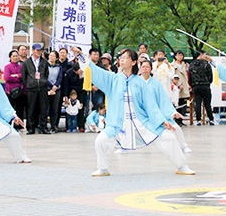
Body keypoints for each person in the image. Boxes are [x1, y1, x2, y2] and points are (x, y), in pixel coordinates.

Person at [88, 48, 195, 177]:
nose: (122, 59)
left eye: (125, 57)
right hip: (118, 123)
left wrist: (162, 121)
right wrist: (82, 58)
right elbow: (94, 71)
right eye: (121, 57)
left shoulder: (140, 82)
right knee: (100, 140)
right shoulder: (112, 79)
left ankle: (182, 166)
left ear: (133, 62)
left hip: (141, 122)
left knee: (169, 137)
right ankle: (103, 168)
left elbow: (151, 105)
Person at [139, 59, 192, 154]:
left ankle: (183, 146)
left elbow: (163, 100)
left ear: (151, 69)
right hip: (142, 114)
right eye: (143, 67)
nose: (145, 69)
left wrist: (173, 112)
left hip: (157, 112)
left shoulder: (156, 83)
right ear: (140, 68)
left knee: (176, 128)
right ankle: (123, 146)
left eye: (147, 67)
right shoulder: (136, 83)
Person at [22, 43, 50, 134]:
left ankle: (43, 127)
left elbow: (46, 74)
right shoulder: (27, 62)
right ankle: (31, 127)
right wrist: (29, 84)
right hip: (31, 88)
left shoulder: (44, 62)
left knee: (43, 108)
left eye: (40, 50)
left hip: (42, 87)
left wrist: (43, 81)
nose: (39, 52)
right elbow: (24, 76)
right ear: (33, 50)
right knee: (31, 108)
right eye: (37, 50)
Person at [188, 51, 215, 125]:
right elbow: (210, 77)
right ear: (201, 55)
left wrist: (192, 84)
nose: (205, 56)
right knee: (207, 104)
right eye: (204, 54)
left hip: (195, 86)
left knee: (198, 103)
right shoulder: (206, 64)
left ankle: (198, 120)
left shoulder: (191, 64)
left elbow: (189, 77)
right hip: (205, 86)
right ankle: (211, 119)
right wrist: (208, 82)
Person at [47, 50, 64, 132]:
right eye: (50, 55)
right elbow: (44, 77)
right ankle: (44, 125)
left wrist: (55, 86)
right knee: (46, 108)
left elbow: (60, 77)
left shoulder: (59, 67)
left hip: (57, 89)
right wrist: (51, 86)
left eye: (53, 56)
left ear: (56, 57)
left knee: (55, 108)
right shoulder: (45, 66)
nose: (51, 57)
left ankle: (54, 125)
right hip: (47, 89)